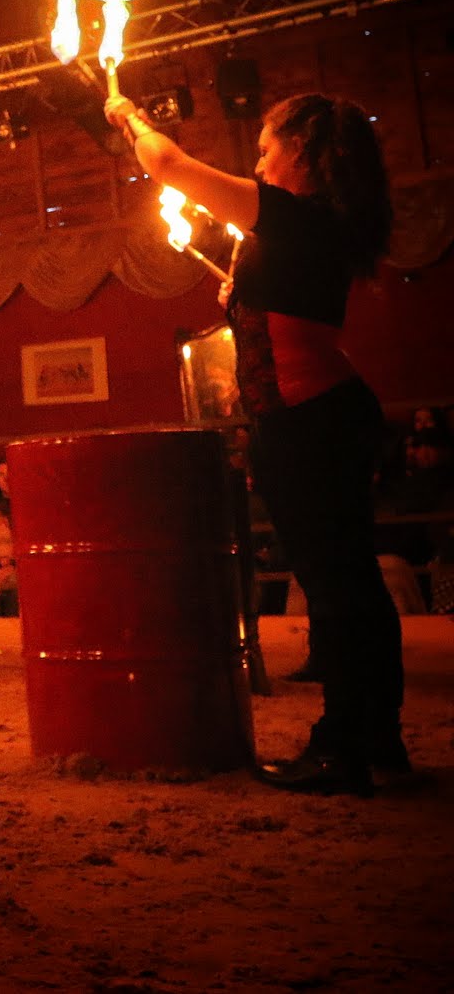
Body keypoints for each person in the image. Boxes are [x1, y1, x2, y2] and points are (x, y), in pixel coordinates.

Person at [109, 89, 403, 794]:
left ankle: (343, 748)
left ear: (300, 149)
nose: (259, 157)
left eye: (268, 145)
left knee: (339, 586)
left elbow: (171, 164)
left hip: (312, 422)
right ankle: (376, 740)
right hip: (315, 417)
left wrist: (130, 121)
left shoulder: (297, 218)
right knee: (348, 581)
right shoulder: (303, 230)